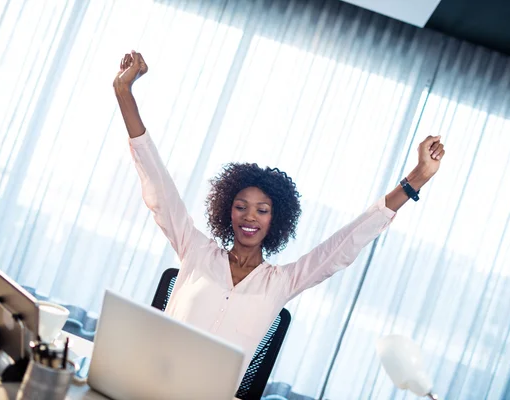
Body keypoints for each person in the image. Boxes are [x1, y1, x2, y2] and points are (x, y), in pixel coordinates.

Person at [113, 51, 445, 380]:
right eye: (241, 206)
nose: (250, 217)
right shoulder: (196, 251)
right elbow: (158, 186)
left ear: (276, 219)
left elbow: (344, 244)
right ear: (227, 210)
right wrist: (123, 91)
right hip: (151, 383)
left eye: (262, 210)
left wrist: (416, 178)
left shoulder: (283, 282)